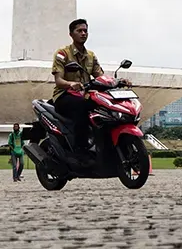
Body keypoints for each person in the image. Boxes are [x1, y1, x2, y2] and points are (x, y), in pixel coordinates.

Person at [51, 18, 132, 161]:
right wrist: (71, 84)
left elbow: (100, 76)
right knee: (82, 108)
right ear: (71, 34)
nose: (83, 33)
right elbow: (58, 81)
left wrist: (118, 81)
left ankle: (104, 145)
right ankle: (80, 150)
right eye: (79, 31)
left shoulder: (91, 56)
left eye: (85, 31)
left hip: (85, 94)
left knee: (106, 108)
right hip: (64, 95)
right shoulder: (63, 54)